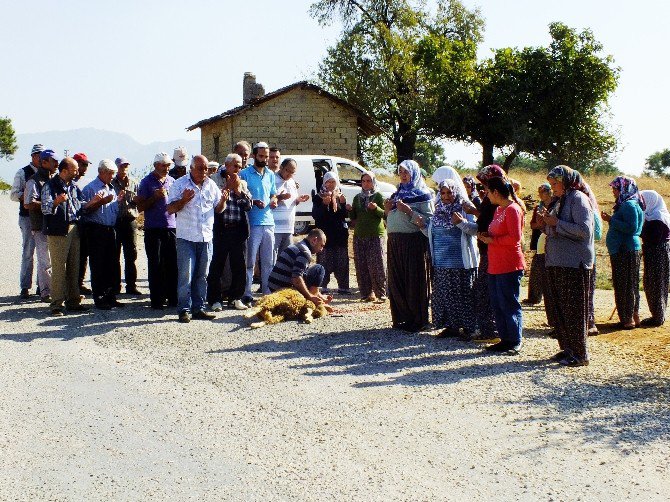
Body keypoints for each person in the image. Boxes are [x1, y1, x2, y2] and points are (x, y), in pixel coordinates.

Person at [540, 166, 595, 367]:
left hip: (574, 263)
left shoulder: (578, 198)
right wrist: (546, 222)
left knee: (574, 310)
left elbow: (584, 230)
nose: (552, 188)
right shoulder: (560, 200)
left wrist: (555, 222)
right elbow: (555, 228)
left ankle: (580, 354)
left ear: (566, 181)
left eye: (555, 184)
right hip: (557, 261)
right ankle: (567, 349)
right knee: (560, 309)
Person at [167, 155, 226, 323]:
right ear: (191, 168)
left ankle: (199, 308)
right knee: (186, 276)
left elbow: (219, 209)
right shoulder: (179, 184)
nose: (204, 172)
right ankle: (184, 310)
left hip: (206, 238)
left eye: (206, 169)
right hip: (186, 238)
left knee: (202, 275)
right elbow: (170, 209)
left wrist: (223, 200)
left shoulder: (211, 185)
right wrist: (184, 200)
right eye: (200, 168)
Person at [384, 159, 434, 332]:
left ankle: (418, 319)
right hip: (395, 242)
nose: (403, 175)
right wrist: (387, 210)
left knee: (413, 281)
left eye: (406, 172)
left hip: (413, 242)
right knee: (397, 281)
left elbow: (429, 220)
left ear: (414, 173)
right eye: (401, 172)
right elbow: (389, 218)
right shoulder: (397, 194)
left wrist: (409, 211)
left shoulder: (423, 194)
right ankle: (402, 317)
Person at [477, 176, 525, 354]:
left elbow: (515, 238)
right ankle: (505, 338)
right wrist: (486, 237)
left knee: (509, 303)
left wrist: (492, 240)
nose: (487, 195)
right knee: (497, 303)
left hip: (509, 264)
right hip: (495, 264)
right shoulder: (498, 210)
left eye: (488, 192)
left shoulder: (513, 210)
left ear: (496, 192)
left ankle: (515, 339)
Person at [428, 179, 479, 338]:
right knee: (445, 295)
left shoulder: (465, 208)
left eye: (449, 192)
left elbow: (476, 230)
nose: (446, 196)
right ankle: (451, 326)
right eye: (443, 193)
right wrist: (421, 225)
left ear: (456, 192)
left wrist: (461, 223)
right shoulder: (437, 210)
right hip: (441, 261)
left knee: (463, 295)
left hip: (460, 262)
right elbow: (433, 232)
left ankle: (470, 327)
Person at [41, 157, 90, 316]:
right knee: (59, 269)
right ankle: (56, 305)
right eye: (74, 169)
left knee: (73, 267)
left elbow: (80, 205)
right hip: (57, 230)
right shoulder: (50, 185)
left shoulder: (74, 186)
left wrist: (94, 202)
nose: (78, 172)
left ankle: (73, 301)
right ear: (64, 171)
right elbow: (45, 208)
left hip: (74, 228)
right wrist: (56, 202)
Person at [206, 153, 253, 311]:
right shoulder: (213, 180)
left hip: (238, 230)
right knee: (216, 266)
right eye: (235, 166)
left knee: (239, 266)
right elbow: (211, 203)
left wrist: (238, 191)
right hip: (220, 230)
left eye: (240, 166)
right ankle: (214, 299)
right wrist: (227, 188)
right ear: (226, 165)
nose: (238, 169)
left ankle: (235, 297)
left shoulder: (243, 183)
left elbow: (248, 205)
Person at [135, 153, 178, 310]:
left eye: (168, 166)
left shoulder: (172, 181)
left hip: (171, 227)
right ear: (155, 165)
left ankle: (173, 297)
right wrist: (154, 197)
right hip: (153, 228)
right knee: (156, 264)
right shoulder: (146, 182)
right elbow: (140, 207)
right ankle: (157, 299)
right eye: (163, 165)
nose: (167, 169)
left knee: (172, 263)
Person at [601, 176, 645, 329]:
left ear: (624, 189)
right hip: (627, 249)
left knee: (624, 285)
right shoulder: (634, 203)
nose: (613, 191)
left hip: (624, 250)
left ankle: (627, 319)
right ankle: (633, 316)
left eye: (615, 188)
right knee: (631, 284)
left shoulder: (628, 205)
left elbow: (631, 228)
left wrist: (610, 219)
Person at [471, 164, 507, 341]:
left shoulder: (500, 203)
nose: (483, 188)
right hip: (485, 249)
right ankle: (487, 329)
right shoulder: (488, 200)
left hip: (493, 250)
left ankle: (492, 330)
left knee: (487, 290)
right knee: (483, 289)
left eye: (485, 184)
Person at [82, 160, 124, 310]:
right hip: (96, 229)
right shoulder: (90, 188)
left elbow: (112, 210)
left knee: (111, 264)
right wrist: (99, 202)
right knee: (98, 264)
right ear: (102, 172)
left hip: (110, 229)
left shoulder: (111, 188)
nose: (113, 176)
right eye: (111, 173)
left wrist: (117, 202)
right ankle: (99, 297)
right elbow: (83, 211)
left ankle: (110, 296)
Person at [239, 142, 278, 304]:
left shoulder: (270, 174)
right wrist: (253, 201)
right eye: (261, 156)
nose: (264, 159)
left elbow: (273, 194)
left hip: (269, 221)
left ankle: (266, 291)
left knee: (268, 261)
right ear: (254, 156)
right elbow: (240, 196)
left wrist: (274, 200)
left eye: (266, 157)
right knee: (250, 260)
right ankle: (247, 292)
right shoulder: (245, 174)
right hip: (252, 222)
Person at [24, 149, 58, 303]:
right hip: (40, 225)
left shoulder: (54, 179)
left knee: (52, 260)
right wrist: (50, 204)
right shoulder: (33, 180)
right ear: (44, 162)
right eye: (53, 161)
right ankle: (46, 292)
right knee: (45, 261)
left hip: (53, 225)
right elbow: (29, 203)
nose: (56, 164)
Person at [347, 171, 387, 302]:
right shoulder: (357, 197)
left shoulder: (379, 196)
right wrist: (349, 209)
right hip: (359, 235)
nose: (366, 183)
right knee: (361, 265)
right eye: (363, 181)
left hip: (376, 235)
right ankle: (366, 294)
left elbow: (385, 215)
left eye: (369, 181)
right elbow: (353, 217)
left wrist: (376, 209)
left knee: (377, 266)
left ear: (373, 182)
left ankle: (381, 293)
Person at [268, 228, 331, 308]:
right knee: (319, 269)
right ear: (314, 240)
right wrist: (309, 296)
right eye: (321, 245)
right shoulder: (305, 252)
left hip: (272, 287)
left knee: (308, 271)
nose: (321, 249)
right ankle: (314, 300)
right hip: (283, 289)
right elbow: (296, 279)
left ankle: (318, 296)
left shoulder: (298, 245)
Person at [11, 143, 42, 299]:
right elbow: (13, 194)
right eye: (39, 155)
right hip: (27, 216)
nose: (42, 158)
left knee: (43, 252)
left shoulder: (47, 173)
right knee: (28, 252)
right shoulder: (23, 172)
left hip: (42, 217)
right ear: (33, 156)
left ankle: (41, 286)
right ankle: (25, 287)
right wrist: (28, 196)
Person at [311, 171, 350, 293]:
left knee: (342, 261)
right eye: (328, 182)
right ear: (324, 183)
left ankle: (343, 286)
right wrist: (323, 204)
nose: (331, 184)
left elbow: (343, 215)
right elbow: (316, 215)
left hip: (339, 235)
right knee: (324, 261)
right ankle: (323, 285)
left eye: (333, 182)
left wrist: (343, 205)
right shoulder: (318, 197)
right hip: (325, 235)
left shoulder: (340, 195)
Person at [639, 190, 670, 327]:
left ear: (651, 201)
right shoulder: (651, 215)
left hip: (658, 253)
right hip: (654, 252)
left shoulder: (658, 216)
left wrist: (639, 231)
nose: (642, 204)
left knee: (656, 284)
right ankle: (657, 314)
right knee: (651, 284)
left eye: (644, 201)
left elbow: (654, 237)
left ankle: (658, 317)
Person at [111, 157, 141, 295]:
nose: (124, 169)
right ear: (116, 167)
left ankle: (131, 285)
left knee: (131, 255)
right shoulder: (111, 184)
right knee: (114, 255)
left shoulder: (134, 183)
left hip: (130, 221)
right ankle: (115, 285)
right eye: (121, 166)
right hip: (116, 221)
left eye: (126, 166)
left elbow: (139, 202)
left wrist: (135, 201)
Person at [523, 183, 554, 305]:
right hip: (539, 241)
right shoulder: (538, 207)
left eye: (543, 191)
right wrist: (540, 224)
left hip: (552, 240)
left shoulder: (555, 206)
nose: (541, 194)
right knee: (536, 269)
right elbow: (532, 225)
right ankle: (534, 297)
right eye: (539, 192)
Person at [273, 158, 310, 256]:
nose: (289, 175)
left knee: (286, 260)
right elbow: (268, 201)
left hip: (289, 228)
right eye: (287, 171)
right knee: (271, 261)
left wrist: (298, 200)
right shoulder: (272, 179)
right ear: (281, 167)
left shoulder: (292, 182)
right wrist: (280, 197)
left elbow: (292, 202)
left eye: (292, 172)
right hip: (275, 228)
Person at [73, 152, 93, 294]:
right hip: (72, 223)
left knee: (83, 254)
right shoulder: (68, 181)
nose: (85, 168)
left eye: (86, 165)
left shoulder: (86, 182)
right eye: (83, 164)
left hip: (85, 223)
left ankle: (79, 283)